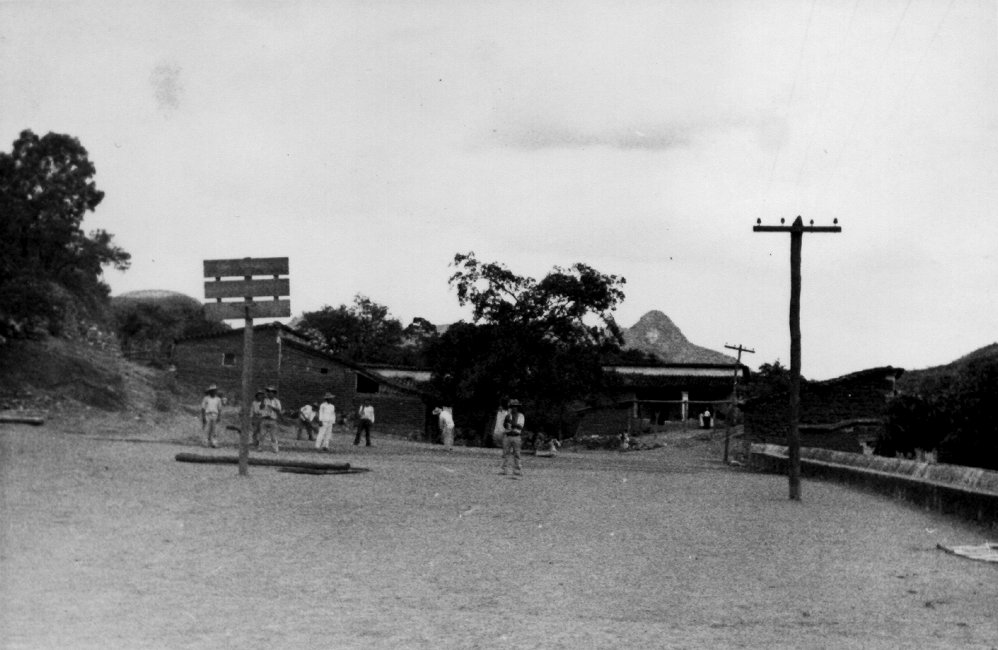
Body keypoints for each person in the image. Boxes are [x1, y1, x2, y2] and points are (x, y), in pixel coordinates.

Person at [500, 399, 525, 478]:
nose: (514, 408)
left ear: (517, 408)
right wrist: (507, 421)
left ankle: (517, 470)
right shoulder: (508, 415)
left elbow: (520, 426)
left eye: (515, 407)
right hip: (508, 436)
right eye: (512, 407)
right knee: (505, 453)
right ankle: (505, 470)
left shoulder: (521, 416)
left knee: (517, 453)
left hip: (516, 436)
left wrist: (511, 422)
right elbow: (504, 425)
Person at [260, 386, 283, 453]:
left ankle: (275, 449)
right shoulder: (264, 400)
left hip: (273, 419)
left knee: (273, 436)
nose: (269, 393)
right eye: (268, 392)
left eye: (271, 392)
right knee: (262, 435)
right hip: (264, 419)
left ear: (274, 393)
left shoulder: (277, 401)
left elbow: (279, 410)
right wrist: (262, 400)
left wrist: (272, 407)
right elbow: (261, 408)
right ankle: (260, 448)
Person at [200, 384, 223, 448]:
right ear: (210, 391)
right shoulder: (206, 398)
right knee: (207, 428)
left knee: (214, 429)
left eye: (214, 390)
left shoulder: (218, 399)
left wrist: (219, 416)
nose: (213, 392)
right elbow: (203, 408)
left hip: (215, 414)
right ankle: (205, 442)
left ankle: (214, 442)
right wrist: (203, 417)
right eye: (212, 390)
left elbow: (220, 409)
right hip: (208, 414)